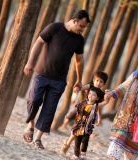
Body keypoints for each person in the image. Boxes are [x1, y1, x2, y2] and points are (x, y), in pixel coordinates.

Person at [23, 10, 91, 149]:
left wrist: (79, 80)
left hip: (59, 80)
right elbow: (38, 42)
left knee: (49, 109)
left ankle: (38, 139)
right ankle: (30, 125)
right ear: (75, 21)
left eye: (84, 28)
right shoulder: (54, 28)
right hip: (41, 73)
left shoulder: (79, 40)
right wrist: (30, 62)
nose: (82, 30)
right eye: (81, 27)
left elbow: (79, 61)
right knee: (34, 100)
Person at [60, 71, 109, 155]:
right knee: (76, 131)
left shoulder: (101, 94)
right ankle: (67, 145)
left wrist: (99, 118)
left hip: (90, 116)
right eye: (97, 80)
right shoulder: (90, 86)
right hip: (82, 110)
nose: (98, 83)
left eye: (101, 82)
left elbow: (99, 107)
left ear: (104, 84)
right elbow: (82, 87)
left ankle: (78, 151)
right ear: (93, 80)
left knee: (84, 134)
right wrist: (77, 88)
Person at [68, 87, 105, 160]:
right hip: (78, 127)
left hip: (87, 128)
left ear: (97, 98)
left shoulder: (96, 106)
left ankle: (83, 154)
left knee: (85, 141)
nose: (90, 96)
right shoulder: (82, 103)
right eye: (90, 94)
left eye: (93, 95)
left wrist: (107, 96)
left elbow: (106, 102)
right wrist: (69, 115)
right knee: (77, 142)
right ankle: (76, 155)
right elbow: (76, 110)